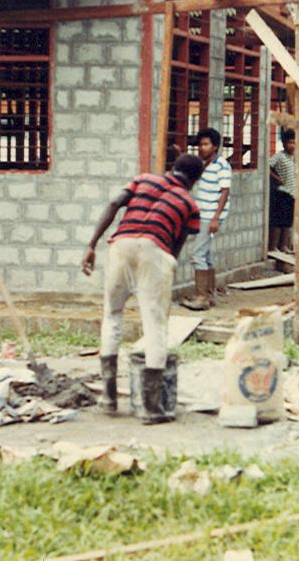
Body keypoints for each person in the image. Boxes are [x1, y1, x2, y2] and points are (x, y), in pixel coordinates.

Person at [81, 154, 204, 424]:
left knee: (112, 315)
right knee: (155, 325)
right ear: (195, 180)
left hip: (120, 244)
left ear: (172, 167)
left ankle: (109, 398)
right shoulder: (189, 204)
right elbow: (177, 243)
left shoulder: (144, 179)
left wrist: (91, 244)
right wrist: (168, 264)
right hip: (155, 250)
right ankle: (151, 407)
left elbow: (114, 202)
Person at [181, 128, 231, 311]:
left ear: (215, 146)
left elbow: (225, 192)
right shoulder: (204, 164)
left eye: (206, 144)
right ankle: (209, 295)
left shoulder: (222, 166)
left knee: (197, 255)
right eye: (200, 144)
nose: (202, 148)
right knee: (207, 255)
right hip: (204, 215)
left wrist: (215, 219)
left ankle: (201, 297)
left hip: (210, 216)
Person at [268, 129, 297, 253]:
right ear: (284, 144)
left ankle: (283, 246)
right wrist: (277, 178)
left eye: (294, 143)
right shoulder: (280, 156)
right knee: (278, 221)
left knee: (287, 222)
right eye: (290, 143)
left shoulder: (295, 158)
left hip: (291, 194)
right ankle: (274, 247)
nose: (292, 145)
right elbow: (267, 166)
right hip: (281, 193)